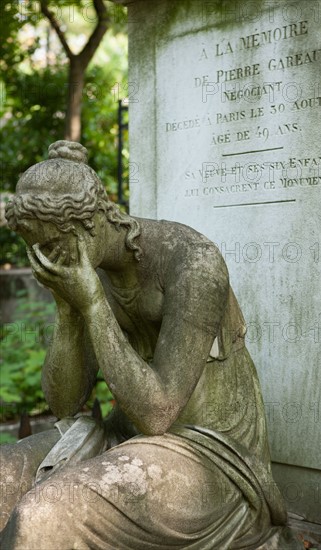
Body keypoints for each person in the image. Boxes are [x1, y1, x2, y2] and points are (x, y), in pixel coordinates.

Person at [0, 141, 295, 549]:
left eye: (52, 247)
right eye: (37, 249)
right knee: (2, 478)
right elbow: (65, 405)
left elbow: (158, 413)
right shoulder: (86, 270)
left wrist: (93, 304)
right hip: (126, 438)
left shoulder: (193, 263)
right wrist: (69, 310)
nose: (47, 260)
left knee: (46, 513)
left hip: (207, 455)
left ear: (90, 225)